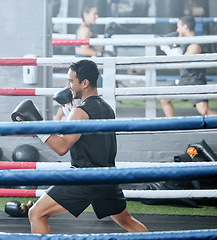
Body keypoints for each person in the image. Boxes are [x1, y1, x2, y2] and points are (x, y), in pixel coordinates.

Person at [22, 59, 148, 234]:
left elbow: (61, 147)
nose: (68, 86)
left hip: (84, 178)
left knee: (36, 213)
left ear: (85, 83)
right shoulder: (106, 108)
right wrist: (69, 112)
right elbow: (87, 136)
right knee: (127, 221)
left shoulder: (79, 112)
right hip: (108, 177)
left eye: (71, 81)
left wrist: (37, 127)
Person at [160, 16, 217, 117]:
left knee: (204, 111)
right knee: (164, 98)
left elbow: (182, 64)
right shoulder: (185, 43)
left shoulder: (194, 45)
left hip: (195, 81)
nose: (177, 30)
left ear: (185, 27)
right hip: (185, 80)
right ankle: (172, 125)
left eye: (178, 27)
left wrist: (172, 52)